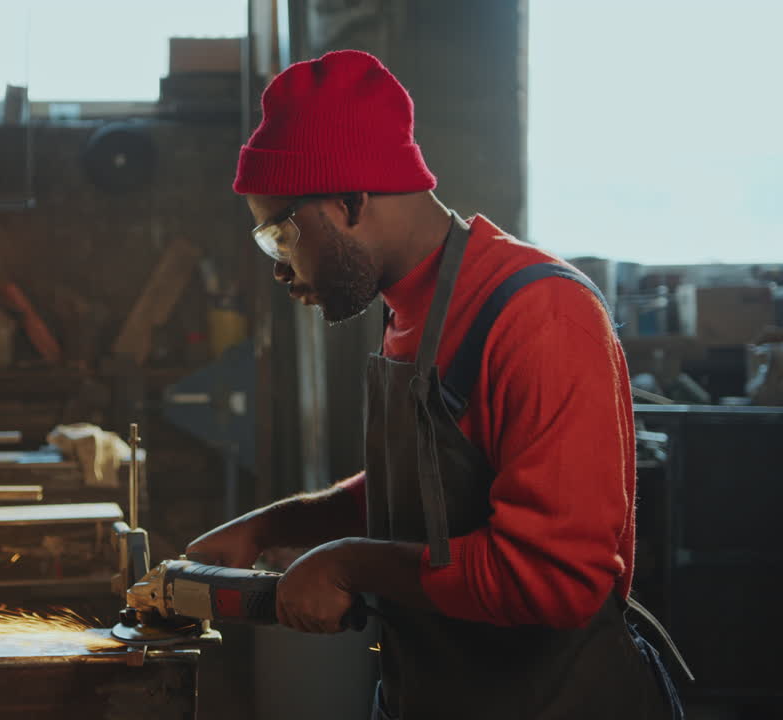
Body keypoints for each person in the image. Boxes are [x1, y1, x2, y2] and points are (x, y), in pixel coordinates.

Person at [185, 50, 686, 719]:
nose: (279, 267)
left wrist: (348, 564)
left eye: (282, 234)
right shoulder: (408, 310)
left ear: (350, 199)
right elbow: (428, 488)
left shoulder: (538, 316)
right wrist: (278, 526)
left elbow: (552, 580)